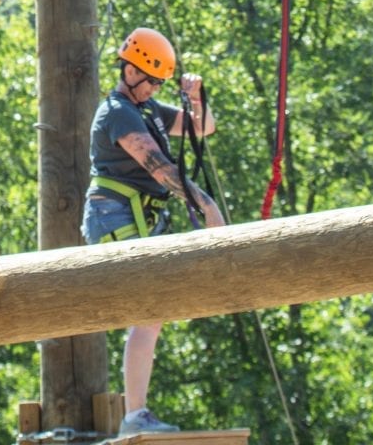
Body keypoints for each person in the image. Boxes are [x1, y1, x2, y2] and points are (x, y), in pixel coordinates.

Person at [81, 26, 224, 436]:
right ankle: (133, 415)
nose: (154, 88)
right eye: (151, 81)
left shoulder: (147, 109)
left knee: (153, 314)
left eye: (160, 83)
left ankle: (136, 413)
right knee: (148, 311)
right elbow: (158, 167)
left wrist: (195, 99)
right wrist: (207, 206)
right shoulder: (117, 113)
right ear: (130, 71)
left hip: (134, 216)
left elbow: (204, 127)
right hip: (115, 216)